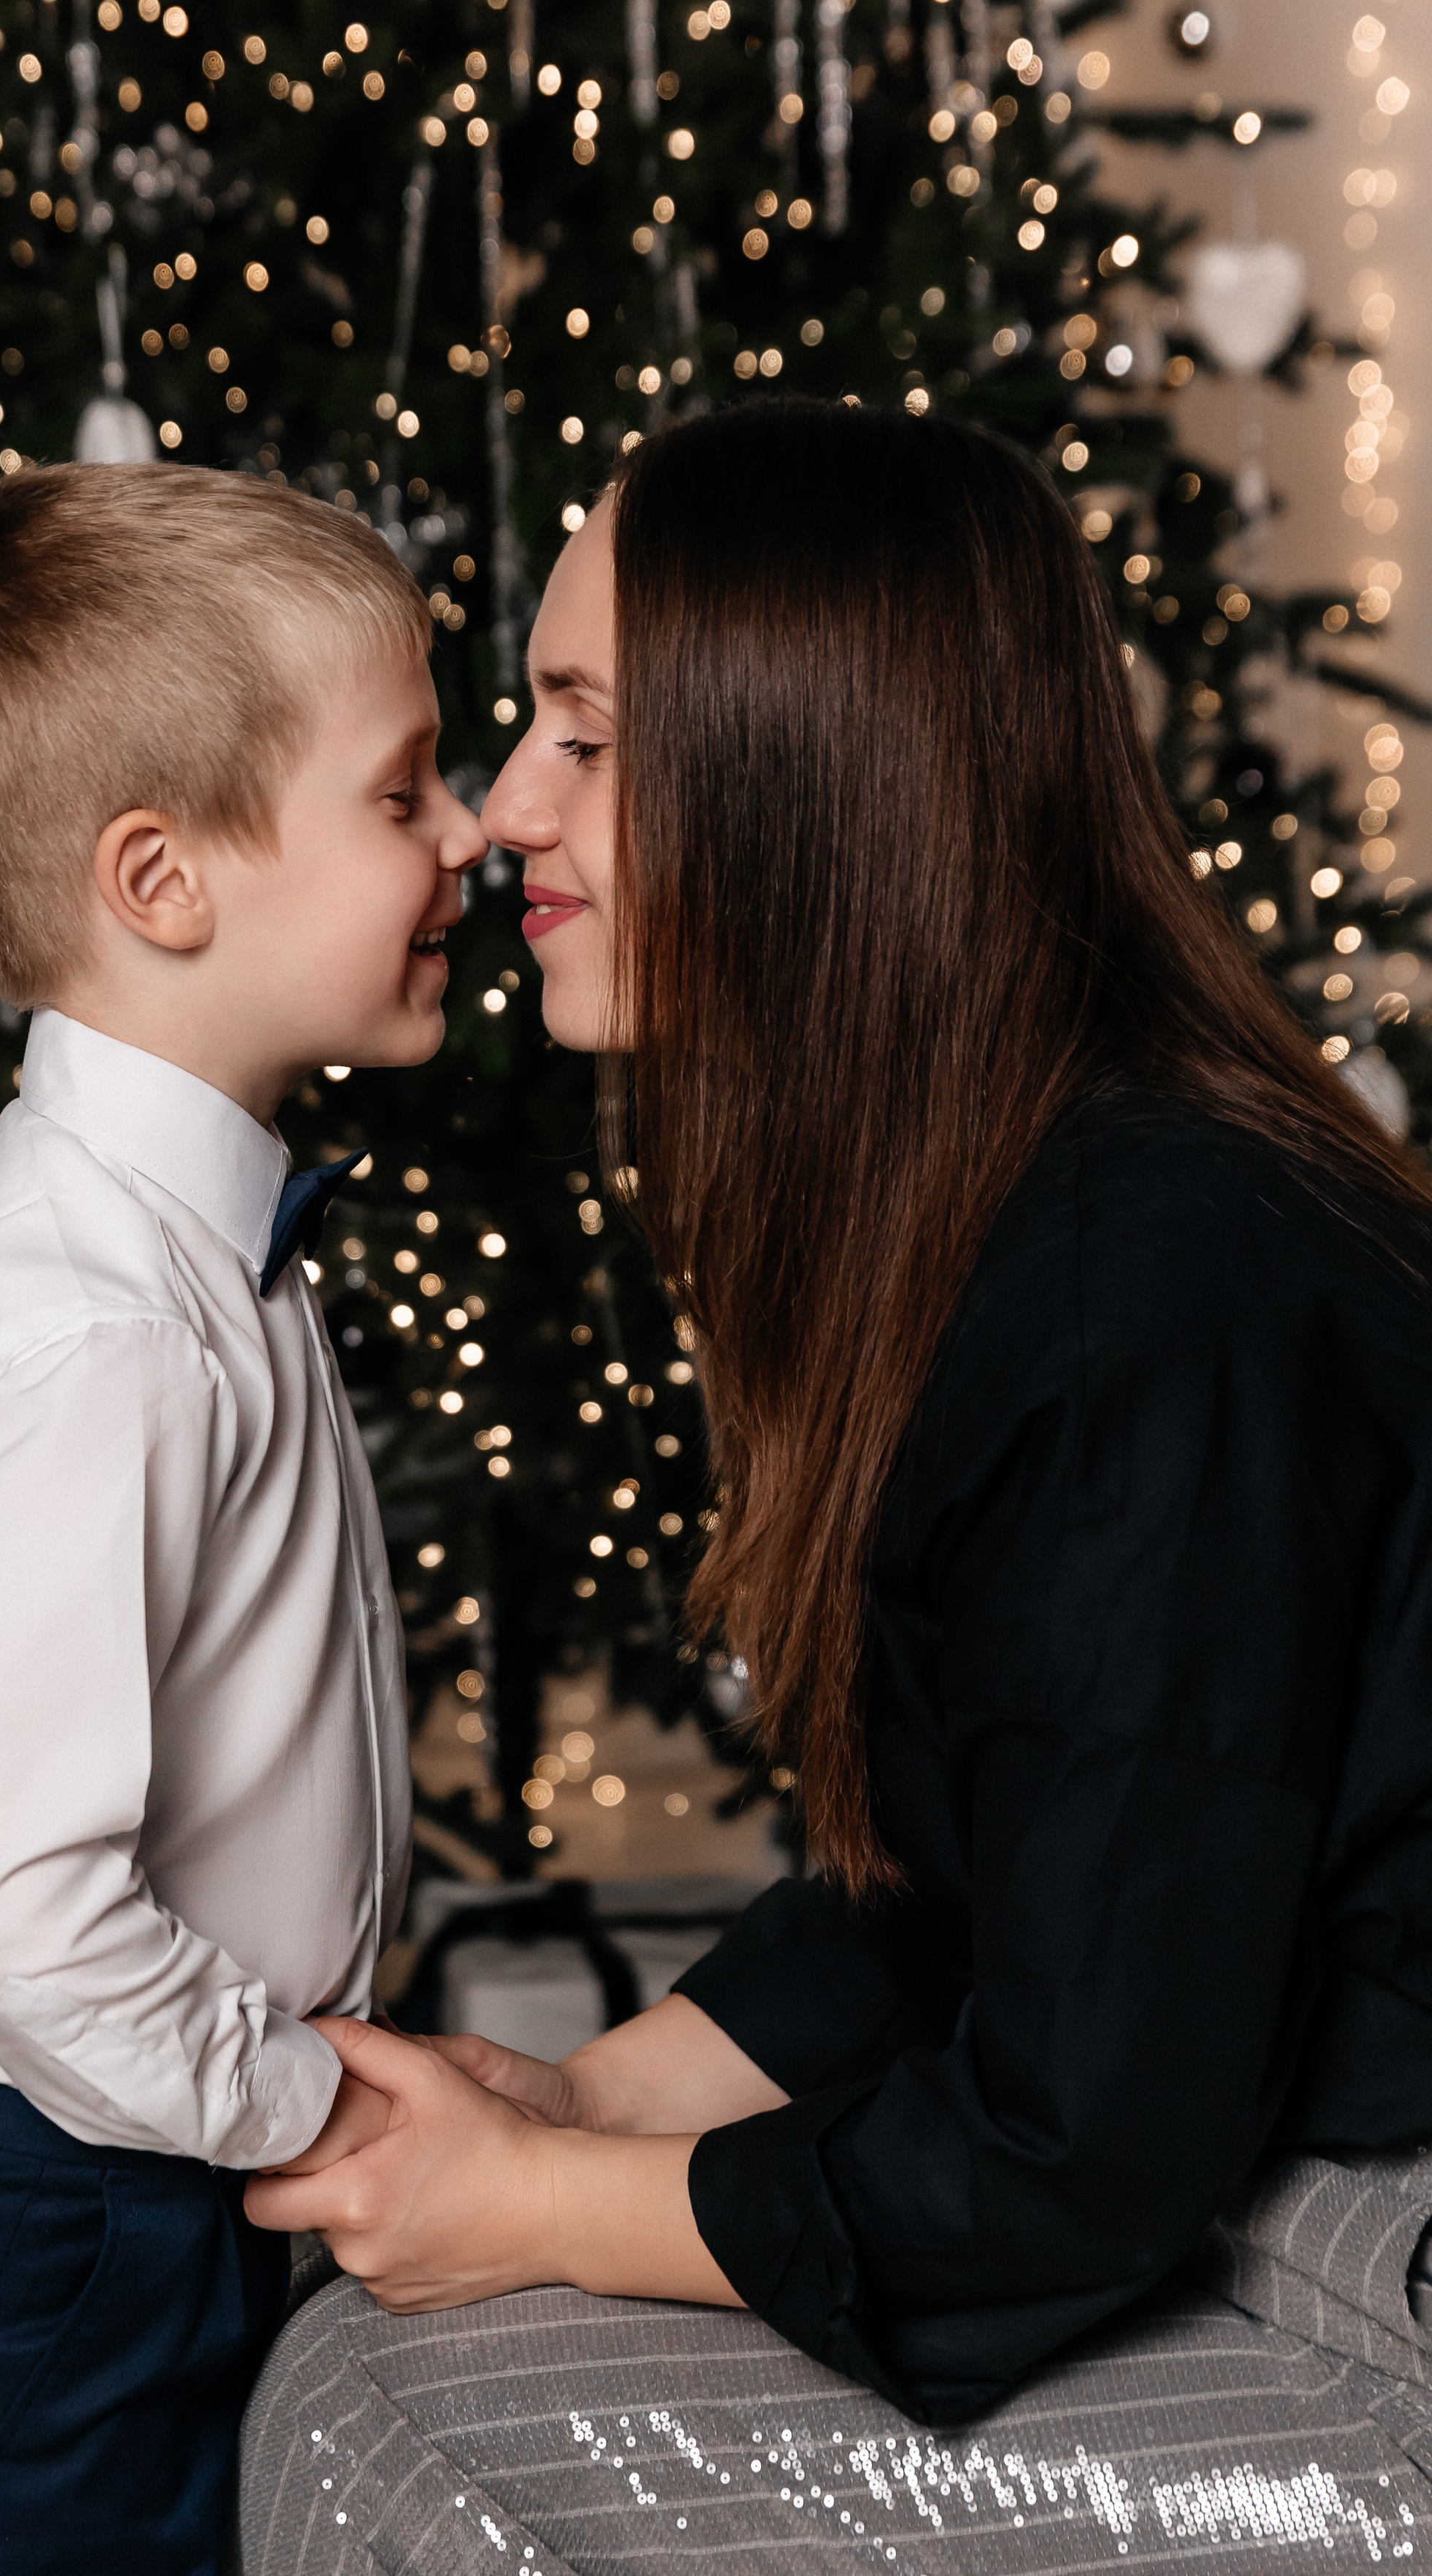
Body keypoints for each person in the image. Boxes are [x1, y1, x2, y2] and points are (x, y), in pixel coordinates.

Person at [240, 401, 1432, 2575]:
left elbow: (1081, 2141)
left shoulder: (1151, 1287)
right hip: (1250, 2185)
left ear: (818, 770)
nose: (505, 815)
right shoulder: (1011, 1207)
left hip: (1380, 2301)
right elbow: (979, 1890)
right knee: (373, 2365)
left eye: (584, 737)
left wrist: (546, 2208)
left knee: (392, 2431)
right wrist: (581, 2108)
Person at [0, 462, 486, 2575]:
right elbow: (27, 1915)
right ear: (163, 881)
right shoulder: (99, 1328)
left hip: (123, 2155)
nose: (468, 841)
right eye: (401, 793)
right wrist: (316, 2109)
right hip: (19, 2218)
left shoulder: (192, 1230)